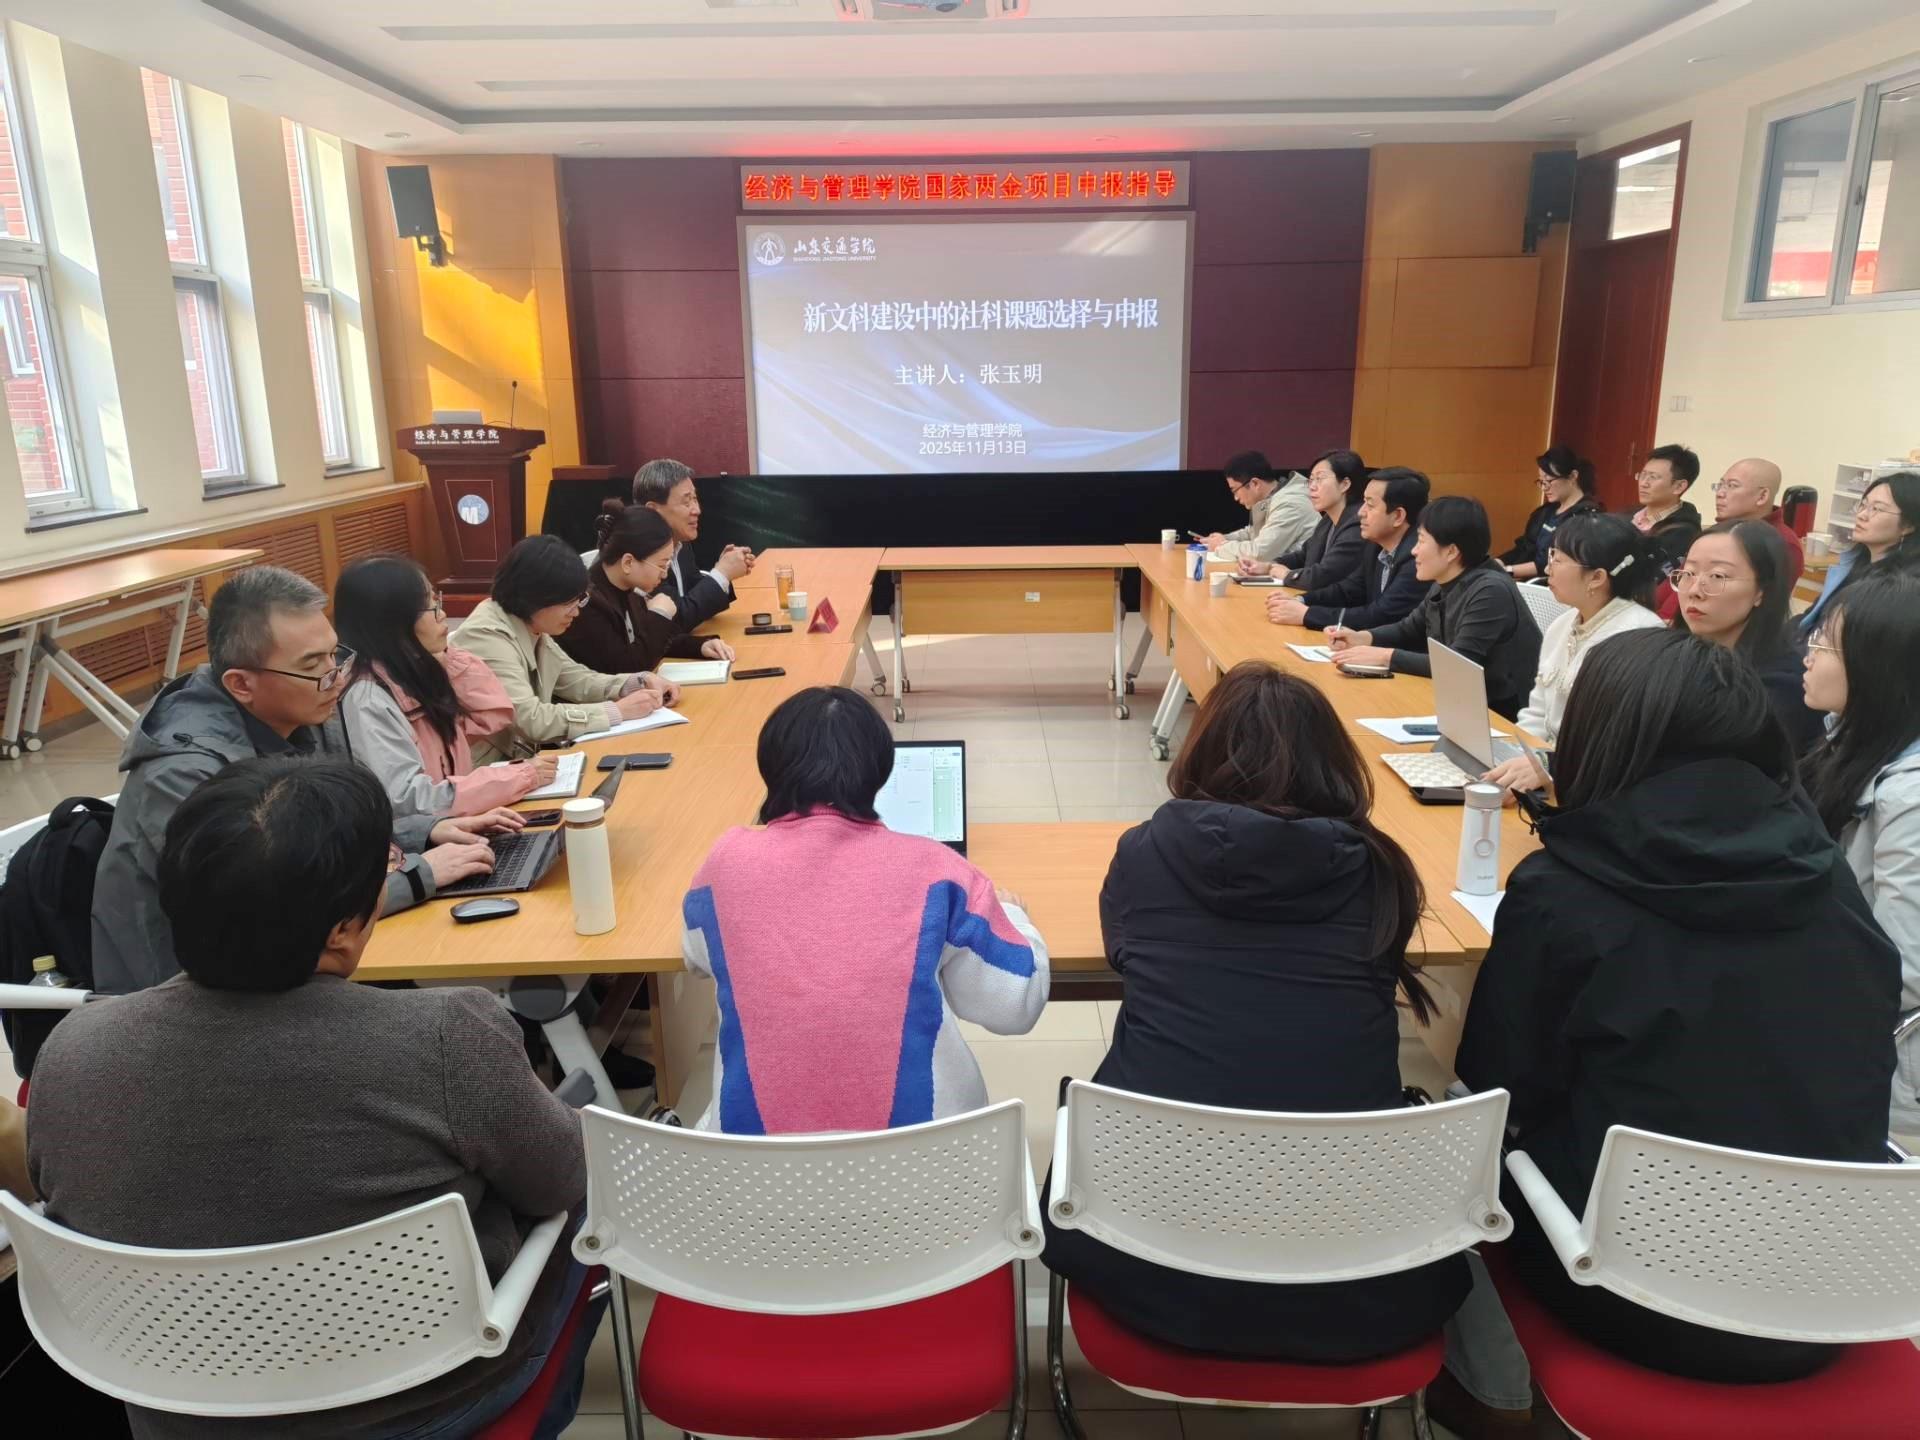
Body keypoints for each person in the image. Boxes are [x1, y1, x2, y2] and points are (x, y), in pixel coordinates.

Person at [31, 757, 601, 1440]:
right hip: (425, 1401)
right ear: (341, 929)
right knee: (585, 1181)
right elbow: (563, 1181)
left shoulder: (71, 1050)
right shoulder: (447, 1036)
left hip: (180, 1411)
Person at [1438, 630, 1898, 1429]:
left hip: (1628, 1296)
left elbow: (1495, 1087)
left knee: (1450, 1144)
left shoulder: (1563, 891)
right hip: (1828, 1300)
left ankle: (1474, 1398)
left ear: (1600, 736)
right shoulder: (1829, 882)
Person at [1040, 661, 1467, 1360]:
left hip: (1148, 1258)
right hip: (1354, 1271)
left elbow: (1124, 956)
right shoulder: (1379, 870)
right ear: (1333, 763)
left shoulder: (1145, 854)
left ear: (1202, 750)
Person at [90, 566, 515, 996]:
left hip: (282, 963)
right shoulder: (185, 774)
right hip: (195, 995)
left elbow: (323, 827)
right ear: (241, 684)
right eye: (313, 664)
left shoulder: (300, 711)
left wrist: (426, 831)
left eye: (335, 655)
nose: (337, 678)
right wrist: (420, 875)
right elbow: (267, 909)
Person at [680, 686, 1048, 1134]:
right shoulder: (940, 870)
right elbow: (1014, 1005)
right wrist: (1018, 919)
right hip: (927, 1166)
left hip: (756, 1170)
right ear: (880, 770)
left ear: (769, 766)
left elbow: (696, 956)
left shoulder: (725, 862)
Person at [1801, 572, 1920, 1137]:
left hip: (1891, 1077)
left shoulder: (1910, 797)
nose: (1807, 654)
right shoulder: (1851, 739)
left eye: (1824, 642)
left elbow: (1904, 969)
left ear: (1877, 666)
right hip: (1845, 1022)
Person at [334, 555, 557, 821]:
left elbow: (492, 715)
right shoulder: (369, 700)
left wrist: (445, 657)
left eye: (437, 602)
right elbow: (408, 800)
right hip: (435, 839)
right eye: (431, 607)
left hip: (462, 825)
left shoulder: (413, 671)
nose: (443, 615)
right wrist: (519, 776)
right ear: (394, 620)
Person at [1482, 514, 1664, 793]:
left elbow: (1616, 741)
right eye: (1551, 555)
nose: (1548, 567)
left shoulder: (1638, 635)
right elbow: (1538, 710)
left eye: (1558, 559)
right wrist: (1519, 757)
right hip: (1545, 768)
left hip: (1590, 782)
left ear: (1597, 577)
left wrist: (1546, 767)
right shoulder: (1563, 624)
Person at [459, 535, 680, 765]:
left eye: (579, 600)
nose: (576, 612)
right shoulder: (486, 637)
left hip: (522, 766)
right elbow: (531, 719)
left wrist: (637, 682)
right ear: (535, 597)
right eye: (568, 603)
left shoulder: (530, 621)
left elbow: (576, 679)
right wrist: (616, 711)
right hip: (485, 771)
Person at [1325, 496, 1542, 720]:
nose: (1413, 551)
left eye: (1421, 541)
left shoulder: (1490, 590)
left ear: (1451, 552)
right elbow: (1409, 629)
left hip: (1502, 716)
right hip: (1461, 703)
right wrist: (1362, 638)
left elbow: (1457, 664)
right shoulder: (1446, 579)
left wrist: (1385, 656)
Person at [1673, 521, 1822, 752]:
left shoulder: (1781, 689)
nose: (1694, 591)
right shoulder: (1673, 657)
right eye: (1689, 573)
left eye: (1718, 576)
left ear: (1762, 591)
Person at [555, 500, 738, 677]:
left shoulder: (626, 586)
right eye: (662, 565)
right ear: (628, 562)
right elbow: (628, 668)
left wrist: (699, 646)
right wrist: (659, 615)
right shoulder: (587, 604)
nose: (664, 574)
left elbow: (651, 639)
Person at [1267, 467, 1430, 633]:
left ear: (1398, 516)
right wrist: (1301, 600)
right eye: (1363, 502)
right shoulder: (1375, 545)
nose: (1360, 512)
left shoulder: (1417, 558)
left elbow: (1381, 615)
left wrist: (1307, 614)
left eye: (1370, 505)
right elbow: (1348, 590)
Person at [633, 457, 754, 631]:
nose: (697, 510)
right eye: (686, 501)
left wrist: (723, 571)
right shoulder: (641, 555)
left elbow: (693, 595)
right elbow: (676, 620)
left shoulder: (680, 542)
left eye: (695, 499)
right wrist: (722, 573)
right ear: (653, 510)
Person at [1799, 470, 1920, 636]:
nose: (1861, 515)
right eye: (1863, 505)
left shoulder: (1902, 588)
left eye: (1876, 509)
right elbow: (1812, 617)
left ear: (1908, 525)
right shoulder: (1852, 563)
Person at [1239, 448, 1368, 590]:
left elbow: (1323, 575)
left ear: (1345, 484)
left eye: (1319, 479)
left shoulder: (1358, 524)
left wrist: (1287, 575)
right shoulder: (1328, 520)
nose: (1312, 487)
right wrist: (1268, 566)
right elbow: (1303, 555)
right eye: (1311, 480)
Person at [1499, 446, 1602, 581]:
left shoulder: (1587, 518)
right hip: (1526, 581)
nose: (1544, 488)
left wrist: (1508, 571)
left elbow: (1550, 565)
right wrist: (1499, 562)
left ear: (1573, 476)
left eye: (1549, 481)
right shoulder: (1545, 512)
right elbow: (1524, 547)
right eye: (1541, 482)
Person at [1203, 450, 1317, 565]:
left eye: (1235, 490)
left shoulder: (1289, 504)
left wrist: (1221, 546)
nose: (1236, 498)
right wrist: (1225, 538)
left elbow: (1260, 554)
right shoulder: (1273, 499)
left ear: (1255, 483)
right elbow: (1252, 533)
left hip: (1299, 572)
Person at [1711, 456, 1805, 588]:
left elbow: (1771, 597)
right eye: (1720, 485)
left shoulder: (1782, 544)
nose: (1720, 493)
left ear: (1762, 496)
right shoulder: (1720, 530)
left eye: (1732, 486)